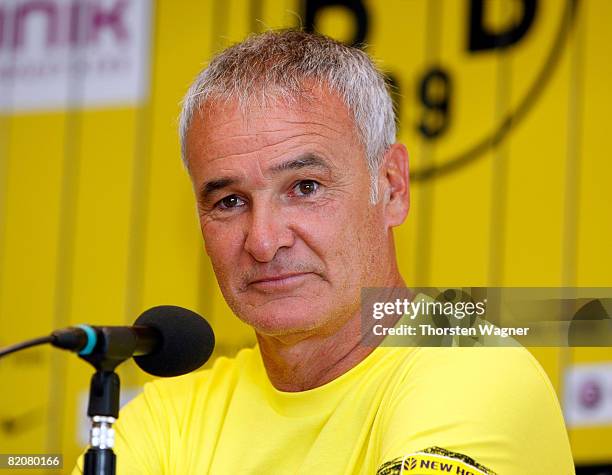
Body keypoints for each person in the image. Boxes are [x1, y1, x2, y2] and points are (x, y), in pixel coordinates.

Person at [73, 30, 574, 474]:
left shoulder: (473, 370)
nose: (264, 241)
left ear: (393, 188)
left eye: (305, 187)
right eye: (229, 201)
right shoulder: (165, 421)